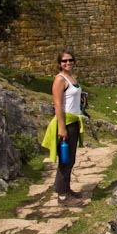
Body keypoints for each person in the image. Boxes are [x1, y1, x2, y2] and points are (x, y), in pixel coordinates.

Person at [41, 49, 84, 205]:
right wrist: (62, 128)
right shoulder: (60, 80)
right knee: (65, 160)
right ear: (59, 64)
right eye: (64, 61)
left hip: (73, 122)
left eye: (70, 60)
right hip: (65, 123)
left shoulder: (71, 78)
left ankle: (66, 188)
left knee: (71, 159)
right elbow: (58, 104)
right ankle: (62, 195)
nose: (68, 63)